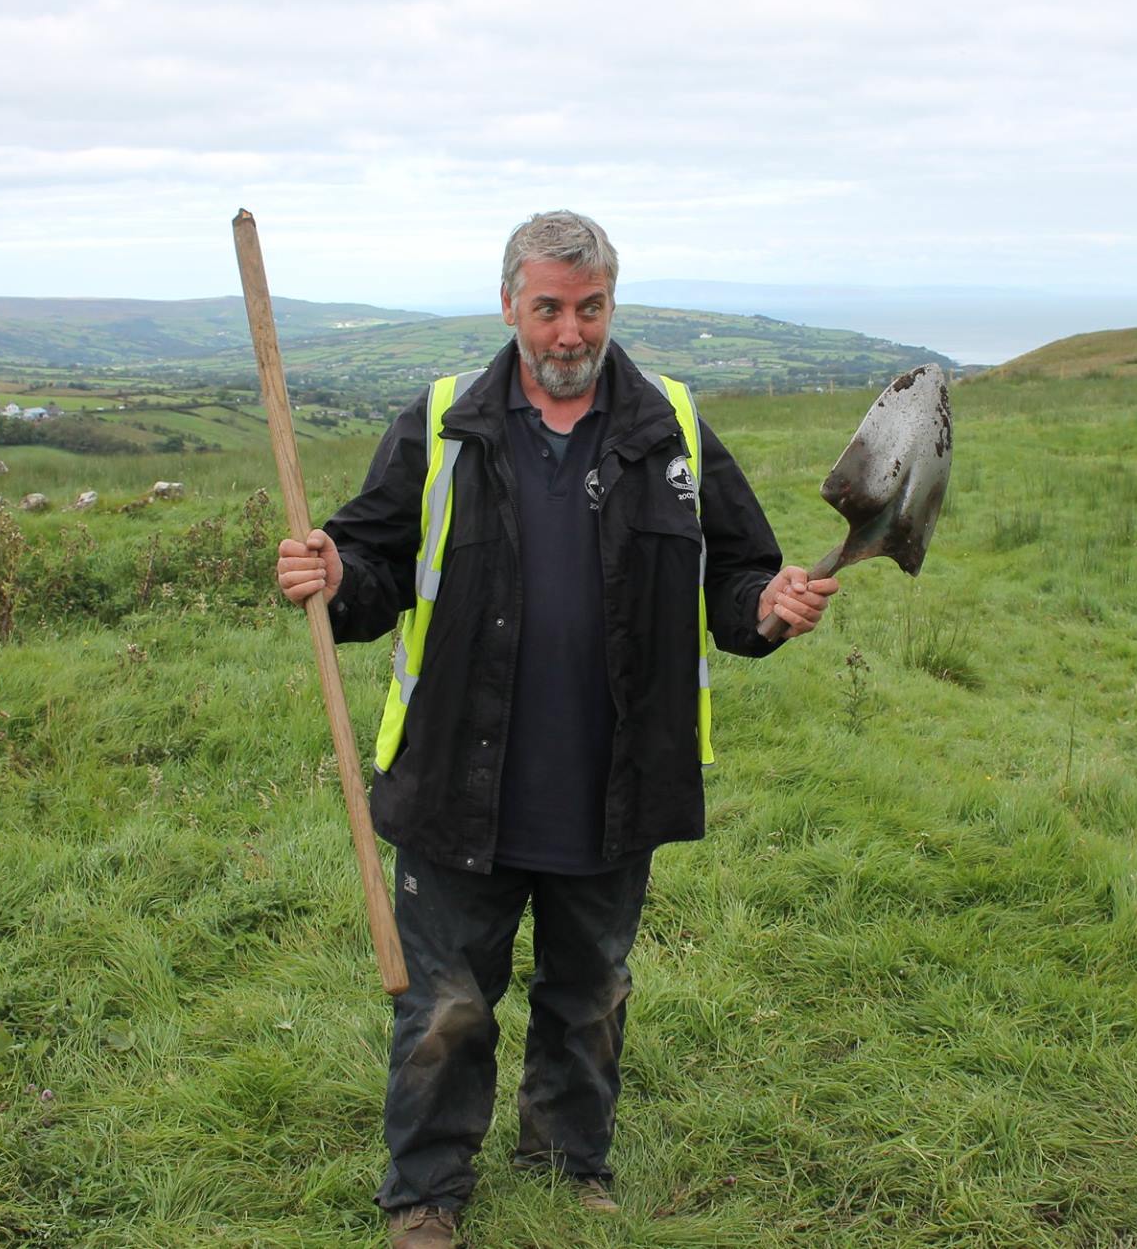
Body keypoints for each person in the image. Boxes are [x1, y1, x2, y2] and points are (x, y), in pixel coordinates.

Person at [276, 210, 837, 1248]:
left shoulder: (668, 422)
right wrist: (332, 574)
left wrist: (767, 609)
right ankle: (426, 1193)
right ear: (509, 307)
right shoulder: (444, 420)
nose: (569, 333)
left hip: (613, 779)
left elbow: (740, 570)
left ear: (609, 304)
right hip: (457, 778)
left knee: (589, 993)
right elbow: (370, 557)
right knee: (445, 1005)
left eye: (588, 308)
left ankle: (568, 1159)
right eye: (547, 309)